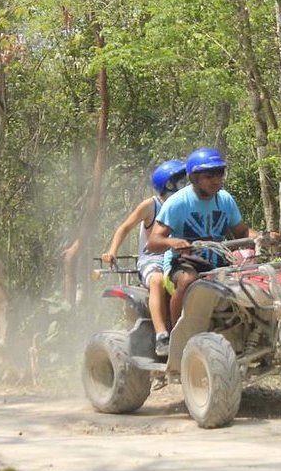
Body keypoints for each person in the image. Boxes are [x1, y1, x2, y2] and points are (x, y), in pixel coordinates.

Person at [147, 147, 265, 326]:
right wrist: (172, 241)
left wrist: (264, 236)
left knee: (256, 277)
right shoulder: (177, 202)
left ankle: (255, 328)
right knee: (188, 280)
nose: (216, 180)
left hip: (220, 262)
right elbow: (153, 243)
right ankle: (177, 330)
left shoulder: (225, 199)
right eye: (209, 176)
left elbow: (242, 232)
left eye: (219, 174)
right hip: (183, 263)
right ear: (194, 178)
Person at [101, 159, 186, 356]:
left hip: (180, 257)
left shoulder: (186, 203)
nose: (185, 185)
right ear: (168, 184)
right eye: (180, 181)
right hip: (153, 259)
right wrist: (112, 251)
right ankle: (162, 336)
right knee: (157, 281)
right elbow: (124, 227)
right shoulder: (151, 206)